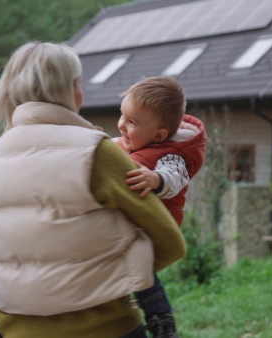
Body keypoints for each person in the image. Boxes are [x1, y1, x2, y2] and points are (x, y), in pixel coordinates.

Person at [0, 41, 186, 338]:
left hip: (14, 330)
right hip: (103, 328)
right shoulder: (97, 153)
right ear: (73, 90)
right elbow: (169, 242)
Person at [115, 76, 207, 337]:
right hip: (134, 222)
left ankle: (160, 317)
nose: (122, 125)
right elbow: (106, 149)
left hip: (156, 226)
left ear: (159, 135)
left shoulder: (172, 154)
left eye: (131, 122)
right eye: (122, 116)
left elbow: (176, 179)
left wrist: (156, 179)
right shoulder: (133, 141)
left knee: (140, 265)